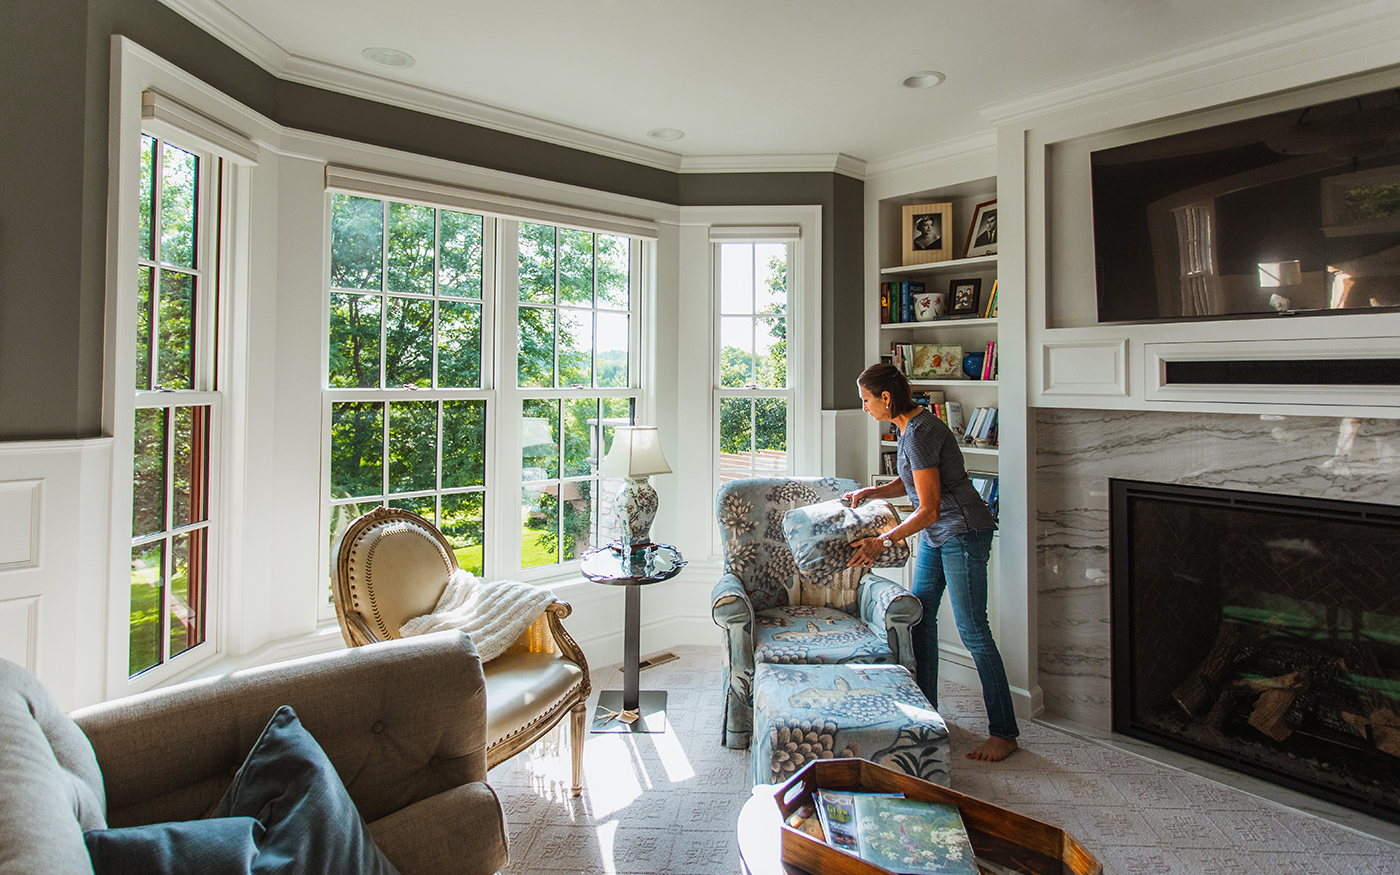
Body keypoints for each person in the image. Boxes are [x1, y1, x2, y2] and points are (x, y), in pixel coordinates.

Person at [844, 362, 1019, 761]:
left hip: (962, 531)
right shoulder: (909, 426)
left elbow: (930, 508)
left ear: (885, 398)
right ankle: (927, 713)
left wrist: (882, 540)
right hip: (940, 534)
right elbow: (912, 480)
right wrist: (876, 491)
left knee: (974, 631)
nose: (865, 408)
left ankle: (1004, 733)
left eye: (866, 401)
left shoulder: (922, 432)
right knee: (919, 615)